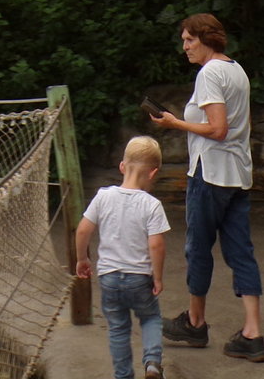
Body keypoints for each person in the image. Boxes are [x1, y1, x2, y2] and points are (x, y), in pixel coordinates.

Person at [150, 12, 264, 363]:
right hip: (237, 176)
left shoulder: (211, 72)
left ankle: (195, 322)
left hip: (210, 174)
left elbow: (218, 129)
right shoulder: (236, 70)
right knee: (240, 251)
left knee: (197, 248)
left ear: (207, 38)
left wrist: (174, 122)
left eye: (190, 40)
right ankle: (253, 333)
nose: (184, 46)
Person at [75, 136, 171, 379]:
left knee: (118, 329)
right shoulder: (152, 205)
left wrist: (82, 259)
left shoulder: (103, 196)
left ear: (121, 166)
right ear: (152, 173)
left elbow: (84, 229)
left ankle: (123, 375)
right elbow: (157, 245)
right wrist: (157, 277)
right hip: (139, 278)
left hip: (109, 277)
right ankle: (151, 363)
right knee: (150, 318)